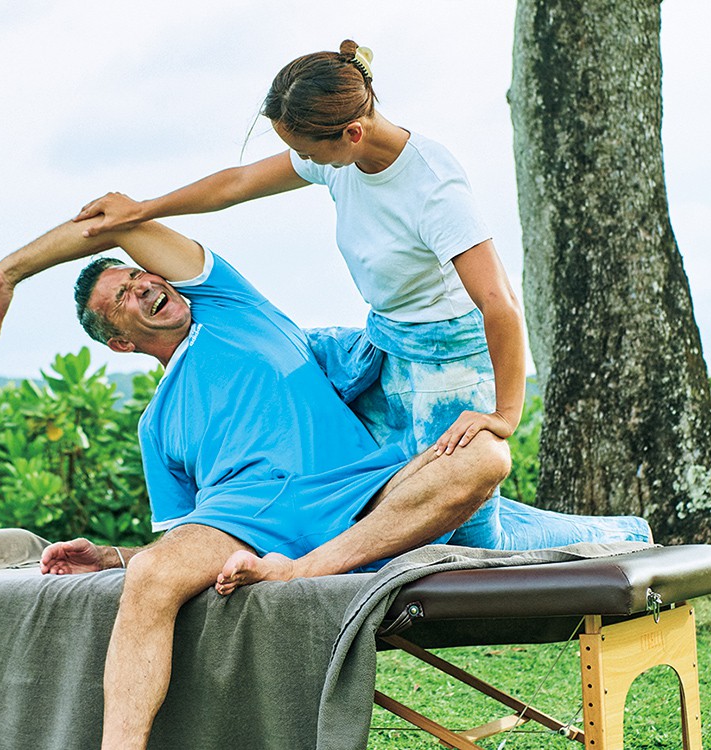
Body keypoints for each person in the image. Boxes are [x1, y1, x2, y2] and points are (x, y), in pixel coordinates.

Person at [0, 214, 511, 750]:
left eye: (141, 277)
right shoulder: (155, 425)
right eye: (124, 296)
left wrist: (7, 272)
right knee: (153, 573)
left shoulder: (231, 308)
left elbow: (122, 220)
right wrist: (117, 556)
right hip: (243, 523)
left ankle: (302, 570)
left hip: (359, 494)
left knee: (484, 457)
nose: (143, 287)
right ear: (120, 342)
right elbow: (179, 544)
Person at [70, 39, 529, 548]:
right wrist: (142, 209)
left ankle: (611, 543)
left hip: (448, 365)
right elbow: (237, 183)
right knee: (379, 505)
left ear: (352, 134)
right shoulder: (339, 158)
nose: (301, 161)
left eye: (307, 152)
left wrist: (505, 414)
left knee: (459, 540)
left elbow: (498, 302)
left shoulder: (432, 186)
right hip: (388, 347)